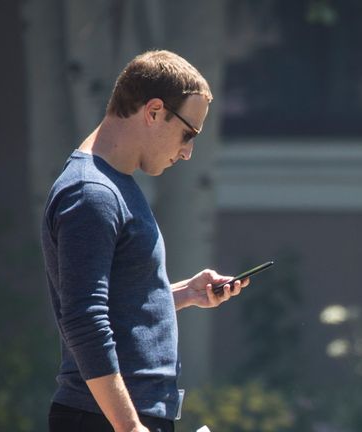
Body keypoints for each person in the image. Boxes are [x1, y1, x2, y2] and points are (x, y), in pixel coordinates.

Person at [41, 50, 248, 432]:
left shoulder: (116, 185)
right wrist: (130, 426)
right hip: (105, 419)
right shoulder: (91, 193)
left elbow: (118, 303)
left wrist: (187, 293)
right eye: (188, 134)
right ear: (153, 111)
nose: (187, 153)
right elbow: (84, 319)